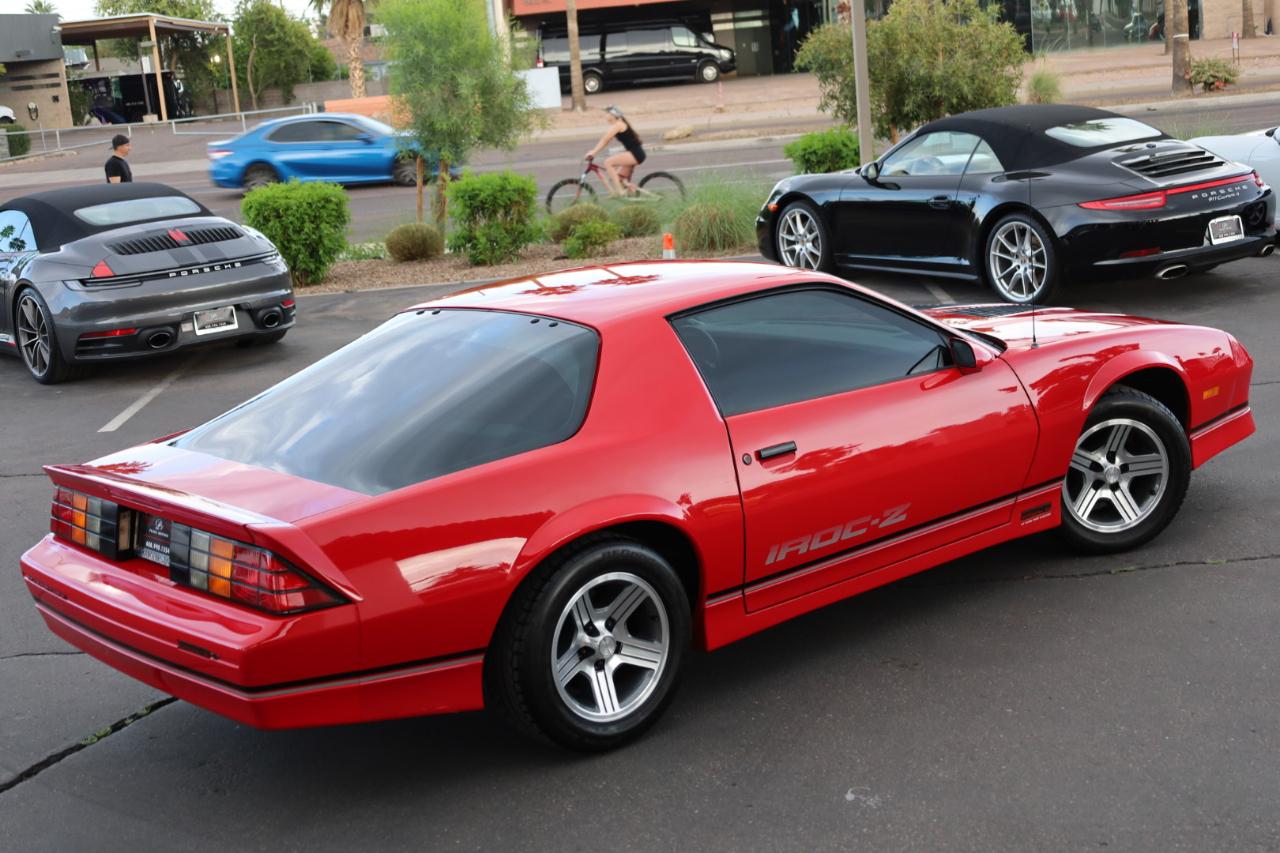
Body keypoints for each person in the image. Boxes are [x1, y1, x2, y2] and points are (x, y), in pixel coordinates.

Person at [584, 106, 645, 196]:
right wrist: (594, 151)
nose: (605, 115)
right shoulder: (618, 124)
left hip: (635, 154)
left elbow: (605, 139)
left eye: (607, 113)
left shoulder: (618, 125)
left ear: (613, 115)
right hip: (634, 153)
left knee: (608, 163)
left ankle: (619, 192)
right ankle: (631, 194)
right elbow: (606, 140)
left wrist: (593, 152)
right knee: (620, 179)